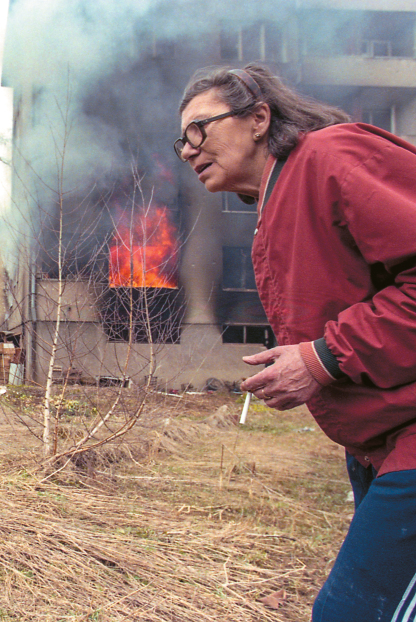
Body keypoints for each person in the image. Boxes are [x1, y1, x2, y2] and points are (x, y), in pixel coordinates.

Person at [176, 62, 416, 621]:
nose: (187, 151)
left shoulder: (333, 157)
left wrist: (322, 358)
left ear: (258, 117)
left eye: (199, 130)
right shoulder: (278, 198)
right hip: (378, 447)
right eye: (180, 141)